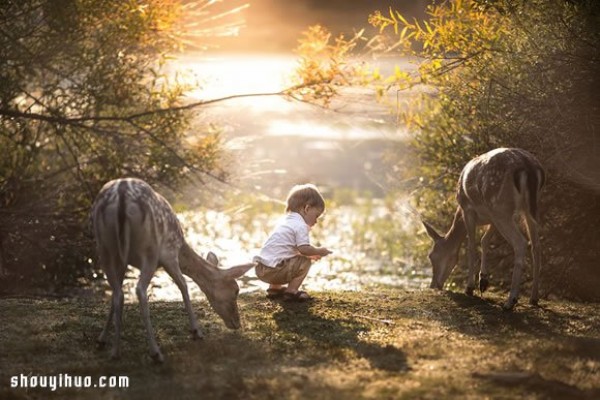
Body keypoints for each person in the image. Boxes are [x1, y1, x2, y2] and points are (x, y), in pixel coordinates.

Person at [254, 184, 332, 302]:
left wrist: (309, 253)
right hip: (274, 271)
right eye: (316, 216)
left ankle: (274, 289)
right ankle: (291, 291)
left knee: (284, 258)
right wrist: (319, 251)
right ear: (306, 209)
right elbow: (304, 249)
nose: (316, 221)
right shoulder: (300, 225)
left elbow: (288, 251)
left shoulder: (285, 222)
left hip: (261, 269)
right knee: (305, 262)